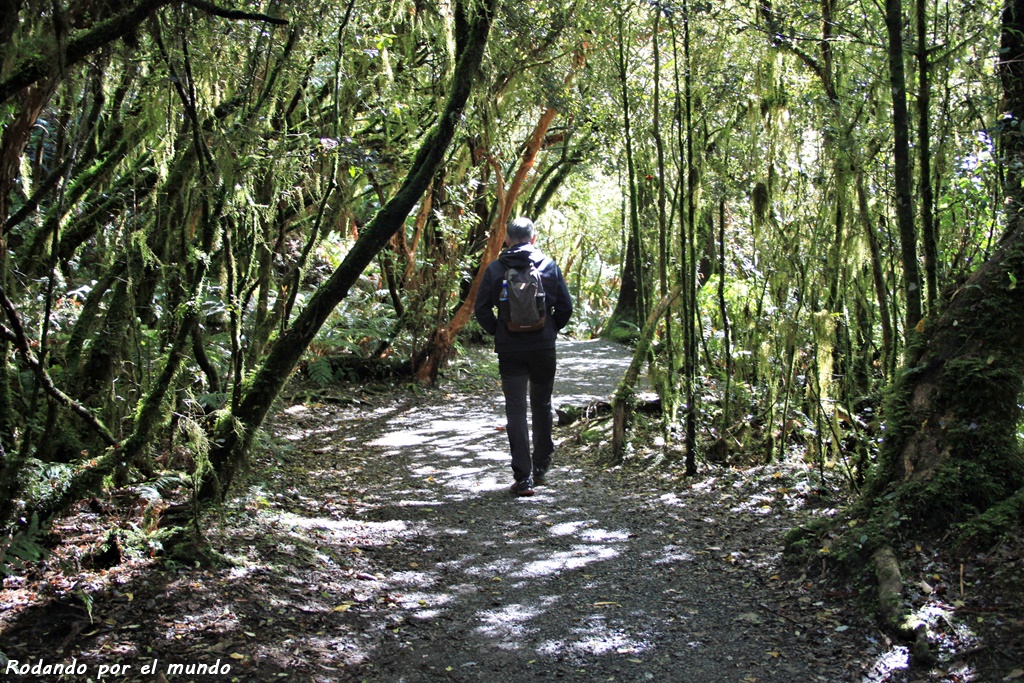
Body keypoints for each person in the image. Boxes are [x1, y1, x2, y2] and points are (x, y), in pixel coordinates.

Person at [475, 217, 573, 497]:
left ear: (506, 240)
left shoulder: (495, 269)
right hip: (543, 347)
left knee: (515, 409)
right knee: (541, 403)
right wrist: (550, 329)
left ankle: (523, 477)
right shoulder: (549, 266)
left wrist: (500, 331)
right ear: (533, 238)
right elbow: (565, 307)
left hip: (510, 349)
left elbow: (482, 309)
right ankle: (541, 466)